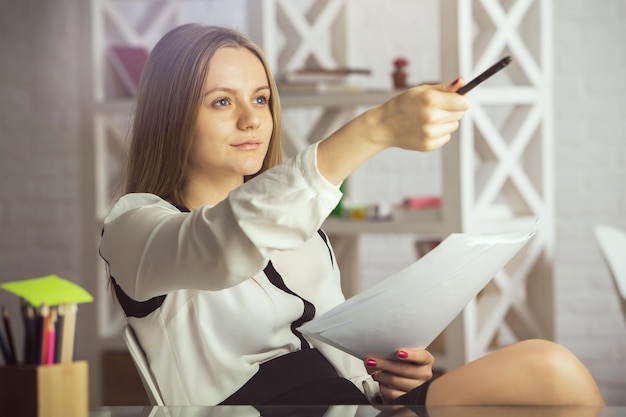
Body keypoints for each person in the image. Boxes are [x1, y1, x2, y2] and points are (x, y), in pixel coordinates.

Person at [99, 23, 605, 407]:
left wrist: (388, 378)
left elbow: (348, 367)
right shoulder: (134, 227)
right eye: (220, 102)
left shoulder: (303, 235)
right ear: (171, 114)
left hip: (352, 405)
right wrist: (377, 127)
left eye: (260, 98)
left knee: (551, 372)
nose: (252, 118)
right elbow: (220, 243)